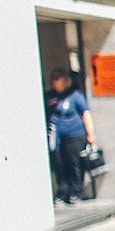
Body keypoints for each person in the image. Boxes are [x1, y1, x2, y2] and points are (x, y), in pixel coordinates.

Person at [46, 68, 95, 204]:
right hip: (56, 136)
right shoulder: (50, 96)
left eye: (57, 78)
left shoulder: (75, 95)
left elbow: (86, 113)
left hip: (73, 134)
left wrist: (90, 134)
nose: (54, 81)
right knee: (59, 164)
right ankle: (62, 192)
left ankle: (75, 192)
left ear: (65, 80)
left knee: (73, 163)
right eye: (53, 78)